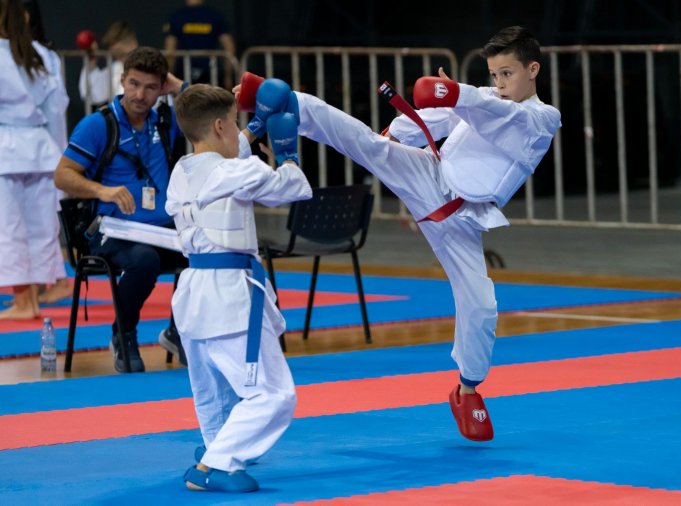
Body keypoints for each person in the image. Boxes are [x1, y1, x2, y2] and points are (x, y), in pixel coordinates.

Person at [236, 26, 561, 441]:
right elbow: (435, 116)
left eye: (508, 74)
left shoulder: (542, 117)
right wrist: (396, 133)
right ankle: (286, 100)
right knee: (368, 144)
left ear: (533, 70)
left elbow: (496, 114)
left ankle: (467, 390)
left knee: (480, 303)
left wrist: (456, 93)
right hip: (429, 174)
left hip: (462, 219)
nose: (499, 83)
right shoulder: (484, 98)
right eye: (495, 74)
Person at [167, 83, 311, 492]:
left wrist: (256, 126)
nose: (237, 130)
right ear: (218, 125)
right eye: (233, 123)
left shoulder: (181, 172)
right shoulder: (238, 172)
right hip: (231, 295)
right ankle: (216, 464)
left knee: (214, 391)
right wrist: (287, 153)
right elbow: (291, 187)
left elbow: (220, 163)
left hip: (193, 294)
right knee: (274, 394)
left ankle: (218, 447)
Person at [54, 46, 188, 372]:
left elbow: (211, 111)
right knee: (144, 260)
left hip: (161, 228)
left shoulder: (165, 122)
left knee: (204, 250)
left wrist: (180, 87)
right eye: (134, 84)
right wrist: (103, 191)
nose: (140, 95)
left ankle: (179, 330)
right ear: (122, 80)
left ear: (162, 88)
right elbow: (62, 175)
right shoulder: (97, 125)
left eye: (151, 87)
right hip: (111, 230)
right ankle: (123, 333)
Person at [0, 0, 69, 320]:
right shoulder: (42, 55)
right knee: (41, 226)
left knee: (8, 227)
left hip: (6, 148)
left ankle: (24, 301)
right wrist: (62, 157)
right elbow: (56, 108)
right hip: (42, 146)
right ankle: (40, 293)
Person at [163, 0, 236, 90]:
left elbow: (170, 50)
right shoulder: (215, 16)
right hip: (209, 72)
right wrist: (228, 76)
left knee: (185, 97)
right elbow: (229, 47)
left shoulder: (176, 16)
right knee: (210, 97)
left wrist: (169, 76)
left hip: (185, 72)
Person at [78, 21, 139, 108]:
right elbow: (91, 95)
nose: (111, 51)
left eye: (113, 44)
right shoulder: (116, 69)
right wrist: (92, 59)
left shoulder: (148, 67)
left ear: (133, 43)